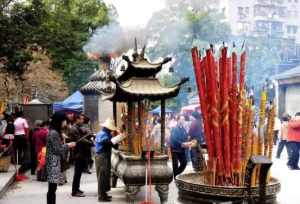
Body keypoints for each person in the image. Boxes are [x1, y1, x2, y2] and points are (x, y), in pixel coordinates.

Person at [46, 112, 76, 204]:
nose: (65, 123)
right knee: (52, 189)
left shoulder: (54, 132)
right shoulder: (54, 133)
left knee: (53, 188)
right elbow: (57, 150)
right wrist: (68, 145)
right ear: (59, 121)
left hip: (53, 162)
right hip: (53, 163)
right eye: (64, 121)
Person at [95, 118, 124, 202]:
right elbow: (107, 143)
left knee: (105, 175)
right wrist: (119, 137)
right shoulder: (102, 134)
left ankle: (104, 193)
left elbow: (114, 146)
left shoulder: (108, 134)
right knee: (102, 176)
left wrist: (118, 140)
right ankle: (101, 196)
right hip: (101, 156)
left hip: (105, 156)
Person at [70, 114, 93, 197]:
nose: (82, 121)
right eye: (81, 119)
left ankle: (77, 188)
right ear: (77, 120)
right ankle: (74, 191)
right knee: (77, 173)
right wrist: (91, 143)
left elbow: (84, 134)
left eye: (83, 119)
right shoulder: (74, 129)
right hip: (78, 153)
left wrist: (89, 134)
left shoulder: (78, 127)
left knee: (79, 173)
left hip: (81, 152)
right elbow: (80, 140)